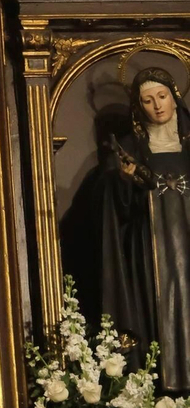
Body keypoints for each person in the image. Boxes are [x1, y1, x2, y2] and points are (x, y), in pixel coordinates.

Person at [63, 67, 190, 389]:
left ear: (174, 98)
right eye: (148, 100)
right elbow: (112, 211)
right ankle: (163, 388)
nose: (157, 106)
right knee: (158, 315)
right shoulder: (129, 149)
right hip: (151, 253)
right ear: (138, 106)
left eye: (162, 96)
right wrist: (122, 180)